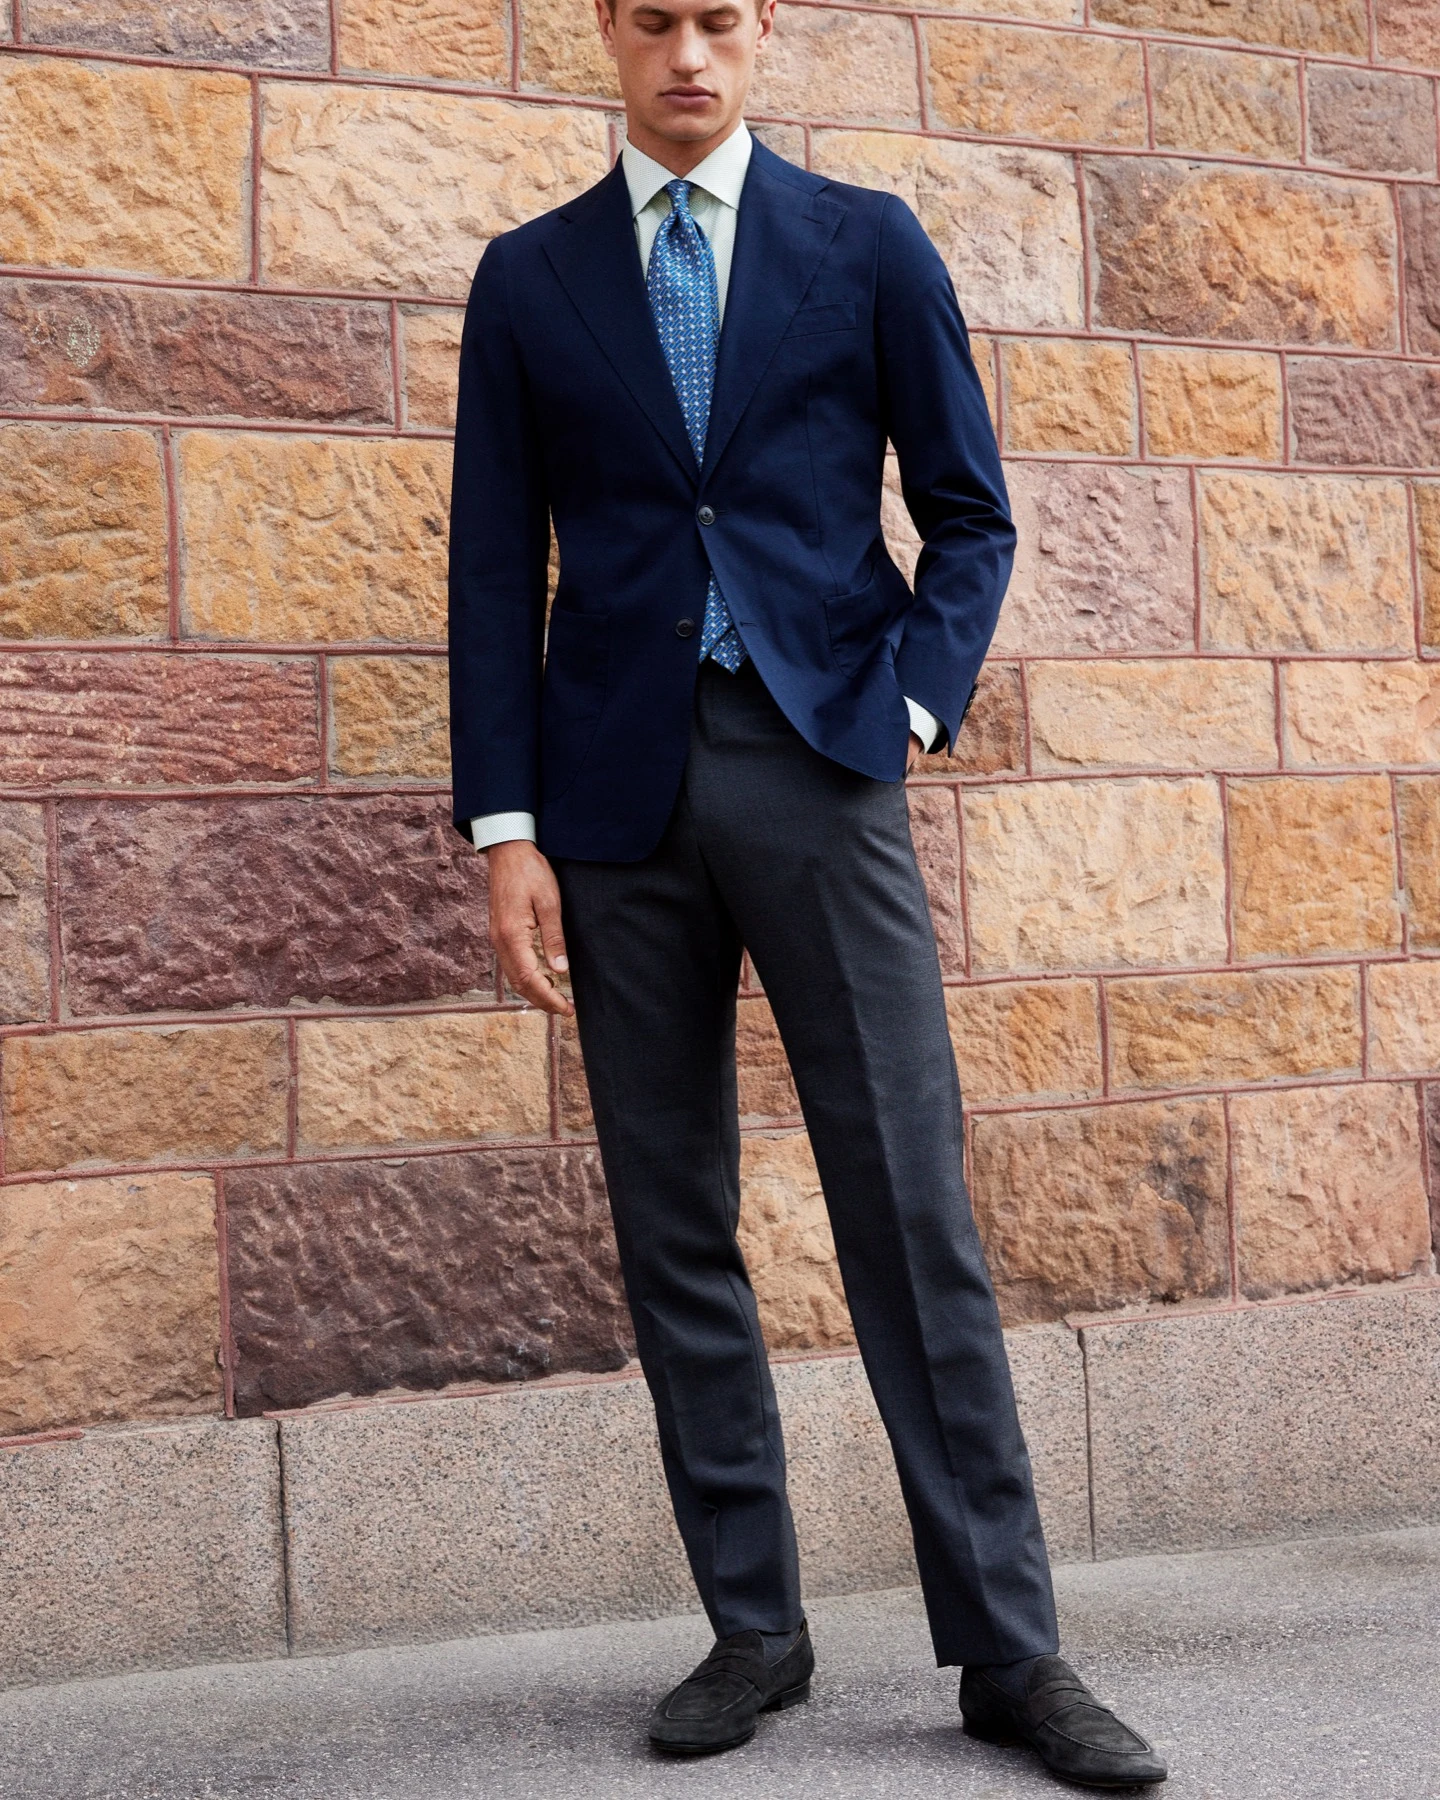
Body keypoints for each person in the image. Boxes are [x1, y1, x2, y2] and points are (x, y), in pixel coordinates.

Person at [447, 0, 1167, 1784]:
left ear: (759, 35)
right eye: (656, 21)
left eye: (721, 19)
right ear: (611, 36)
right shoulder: (529, 280)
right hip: (613, 802)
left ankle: (1009, 1651)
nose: (689, 53)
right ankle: (752, 1629)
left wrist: (908, 706)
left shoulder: (866, 244)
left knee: (911, 1212)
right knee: (672, 1214)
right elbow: (487, 563)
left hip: (822, 768)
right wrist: (505, 829)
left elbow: (969, 511)